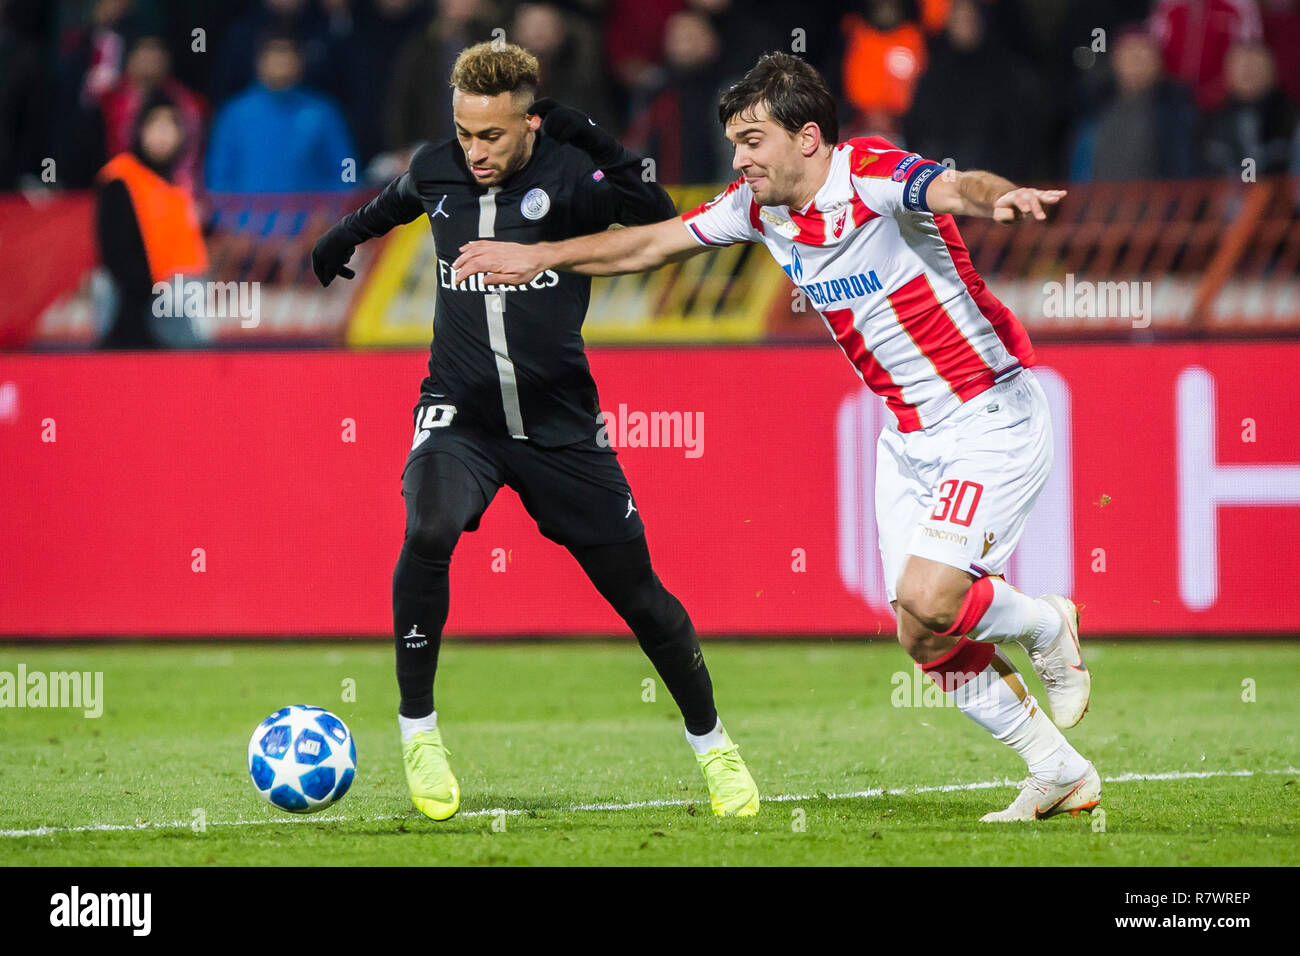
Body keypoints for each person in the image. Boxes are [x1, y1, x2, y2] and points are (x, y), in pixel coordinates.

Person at [455, 52, 1100, 823]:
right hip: (908, 437)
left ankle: (1042, 623)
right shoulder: (758, 209)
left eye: (753, 140)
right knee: (922, 635)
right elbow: (652, 243)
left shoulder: (871, 175)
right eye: (734, 142)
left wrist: (1002, 198)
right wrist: (539, 257)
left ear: (809, 139)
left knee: (933, 597)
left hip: (990, 414)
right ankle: (1056, 770)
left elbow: (958, 187)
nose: (740, 158)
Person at [310, 42, 759, 821]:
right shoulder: (439, 168)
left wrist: (595, 140)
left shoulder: (571, 175)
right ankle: (419, 731)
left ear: (528, 121)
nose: (474, 151)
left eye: (491, 135)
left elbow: (660, 220)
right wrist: (339, 238)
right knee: (429, 526)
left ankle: (714, 745)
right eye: (464, 133)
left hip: (561, 427)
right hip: (461, 415)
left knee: (643, 599)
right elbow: (389, 205)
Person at [95, 90, 208, 348]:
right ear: (140, 130)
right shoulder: (119, 179)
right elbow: (116, 255)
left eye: (170, 126)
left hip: (180, 309)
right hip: (134, 315)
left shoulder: (178, 186)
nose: (162, 135)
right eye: (154, 124)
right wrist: (155, 294)